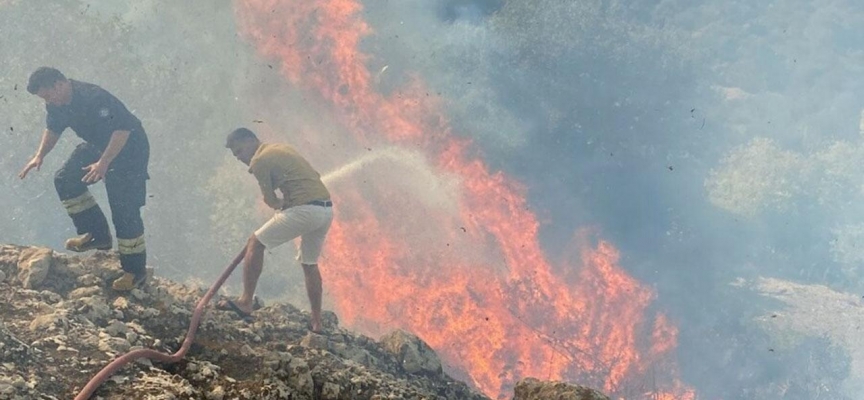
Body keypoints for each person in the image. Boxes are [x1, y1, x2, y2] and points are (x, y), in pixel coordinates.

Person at [18, 67, 150, 291]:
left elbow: (123, 129)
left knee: (124, 209)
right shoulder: (56, 104)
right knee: (65, 180)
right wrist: (39, 155)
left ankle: (135, 272)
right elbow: (53, 128)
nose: (48, 101)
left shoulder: (93, 96)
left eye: (48, 96)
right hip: (98, 146)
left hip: (128, 150)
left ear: (59, 84)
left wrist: (105, 162)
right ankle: (97, 235)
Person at [219, 127, 333, 332]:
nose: (239, 157)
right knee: (309, 263)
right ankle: (317, 322)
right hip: (325, 210)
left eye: (239, 151)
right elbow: (313, 175)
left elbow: (270, 199)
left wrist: (281, 203)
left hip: (304, 210)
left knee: (255, 242)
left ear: (251, 140)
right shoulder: (282, 148)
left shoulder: (259, 160)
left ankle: (245, 302)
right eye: (235, 154)